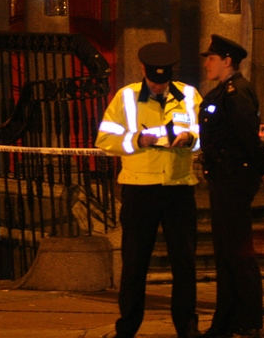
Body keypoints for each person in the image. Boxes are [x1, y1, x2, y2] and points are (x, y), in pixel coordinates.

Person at [96, 42, 203, 338]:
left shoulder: (190, 95)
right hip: (139, 188)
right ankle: (127, 328)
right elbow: (105, 137)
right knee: (134, 264)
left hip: (179, 188)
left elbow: (205, 132)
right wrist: (136, 140)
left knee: (185, 263)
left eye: (164, 81)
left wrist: (190, 138)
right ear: (143, 71)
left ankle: (187, 327)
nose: (159, 87)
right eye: (154, 82)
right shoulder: (126, 97)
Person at [198, 34, 264, 338]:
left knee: (238, 253)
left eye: (211, 58)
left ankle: (248, 321)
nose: (207, 64)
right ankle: (227, 321)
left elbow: (248, 136)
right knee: (226, 253)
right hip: (223, 178)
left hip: (234, 179)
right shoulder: (222, 92)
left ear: (227, 61)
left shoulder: (237, 93)